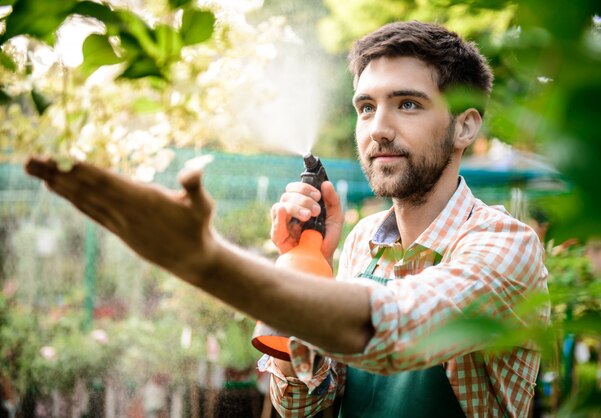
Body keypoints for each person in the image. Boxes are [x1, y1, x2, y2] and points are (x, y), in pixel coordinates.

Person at [24, 20, 549, 418]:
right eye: (366, 108)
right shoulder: (363, 240)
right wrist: (301, 265)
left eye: (407, 104)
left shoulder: (505, 245)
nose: (378, 130)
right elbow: (302, 407)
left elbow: (400, 333)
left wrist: (205, 262)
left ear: (464, 127)